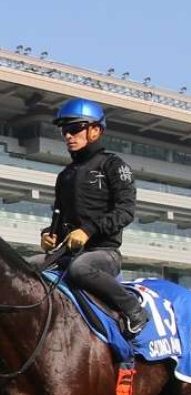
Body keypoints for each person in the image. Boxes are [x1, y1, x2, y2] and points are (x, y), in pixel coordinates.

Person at [29, 98, 149, 339]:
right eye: (64, 130)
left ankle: (132, 308)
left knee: (80, 269)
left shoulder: (113, 165)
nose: (68, 136)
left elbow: (125, 211)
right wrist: (49, 234)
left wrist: (88, 231)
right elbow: (59, 217)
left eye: (75, 129)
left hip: (103, 253)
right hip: (67, 253)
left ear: (95, 130)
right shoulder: (65, 175)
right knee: (25, 267)